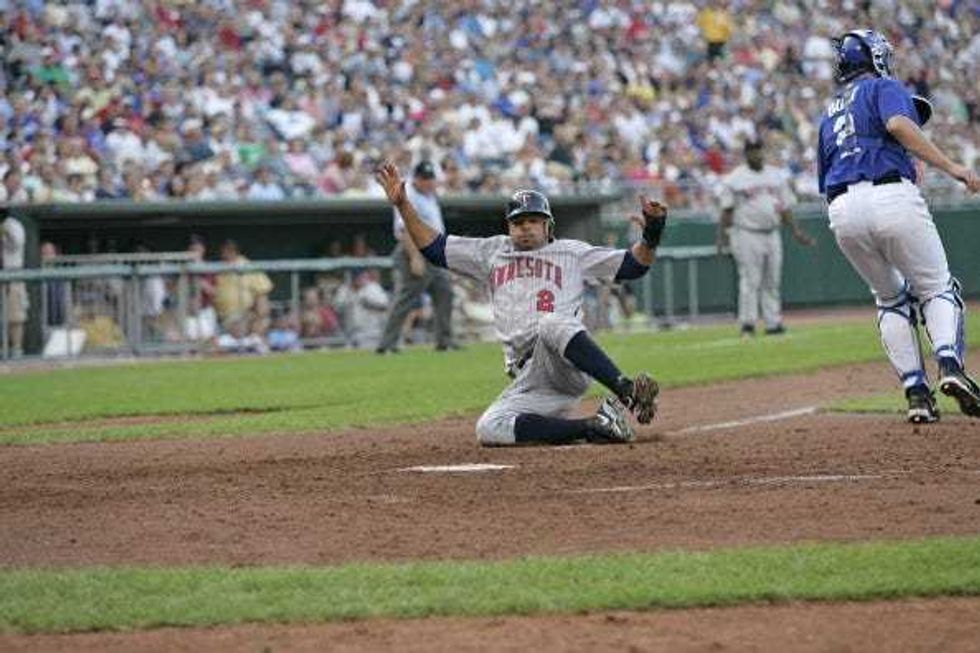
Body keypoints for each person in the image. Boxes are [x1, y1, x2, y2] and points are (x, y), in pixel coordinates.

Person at [375, 161, 665, 446]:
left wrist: (651, 235)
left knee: (551, 321)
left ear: (547, 225)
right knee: (489, 428)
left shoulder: (571, 253)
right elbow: (435, 249)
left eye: (533, 221)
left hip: (566, 361)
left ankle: (627, 391)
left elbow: (633, 266)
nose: (525, 228)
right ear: (509, 226)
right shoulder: (492, 251)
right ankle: (595, 426)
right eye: (518, 222)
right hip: (529, 377)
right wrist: (403, 206)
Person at [817, 29, 980, 423]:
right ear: (874, 57)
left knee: (890, 298)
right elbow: (899, 125)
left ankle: (916, 394)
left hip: (841, 209)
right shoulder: (884, 86)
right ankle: (950, 366)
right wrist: (955, 168)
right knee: (938, 287)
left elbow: (824, 177)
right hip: (890, 195)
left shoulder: (831, 111)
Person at [717, 140, 815, 337]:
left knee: (772, 280)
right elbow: (726, 210)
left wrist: (796, 232)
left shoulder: (775, 175)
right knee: (750, 280)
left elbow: (785, 207)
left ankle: (773, 323)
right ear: (746, 155)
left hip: (771, 232)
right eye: (753, 152)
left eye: (759, 150)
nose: (757, 155)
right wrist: (722, 237)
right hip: (745, 232)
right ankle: (748, 324)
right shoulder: (735, 179)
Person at [375, 160, 456, 354]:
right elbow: (404, 230)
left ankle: (444, 341)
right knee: (406, 299)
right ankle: (387, 344)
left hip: (434, 252)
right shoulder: (407, 194)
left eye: (431, 178)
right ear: (416, 179)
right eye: (424, 178)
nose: (428, 182)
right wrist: (415, 257)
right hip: (414, 251)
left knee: (445, 292)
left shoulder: (429, 195)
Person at [213, 239, 273, 339]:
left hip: (245, 316)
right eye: (224, 250)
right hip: (221, 318)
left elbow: (262, 297)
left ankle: (253, 343)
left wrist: (258, 317)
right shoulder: (219, 268)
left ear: (234, 251)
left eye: (229, 250)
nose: (224, 253)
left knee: (260, 323)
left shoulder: (247, 266)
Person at [2, 215, 28, 358]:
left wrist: (5, 231)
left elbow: (15, 245)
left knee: (15, 315)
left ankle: (16, 349)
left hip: (12, 273)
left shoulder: (13, 224)